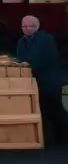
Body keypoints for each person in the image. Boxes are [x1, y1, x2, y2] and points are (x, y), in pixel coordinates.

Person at [17, 15, 68, 145]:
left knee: (54, 108)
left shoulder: (45, 39)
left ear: (37, 27)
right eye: (24, 26)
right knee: (44, 108)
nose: (27, 29)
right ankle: (51, 137)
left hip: (49, 79)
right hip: (35, 79)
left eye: (30, 26)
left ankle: (61, 136)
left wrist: (26, 64)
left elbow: (39, 59)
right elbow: (20, 57)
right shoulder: (22, 40)